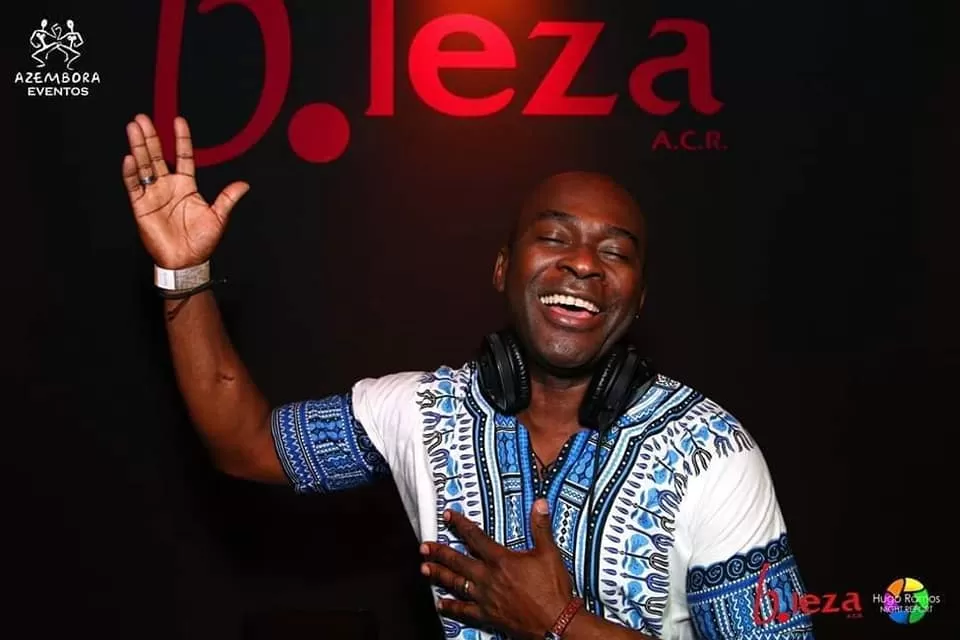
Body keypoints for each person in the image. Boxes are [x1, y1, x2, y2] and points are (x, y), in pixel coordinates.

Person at [121, 113, 815, 640]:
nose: (582, 263)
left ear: (636, 301)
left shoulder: (714, 454)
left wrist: (560, 623)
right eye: (555, 237)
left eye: (614, 252)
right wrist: (185, 276)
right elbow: (244, 443)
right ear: (503, 268)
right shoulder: (420, 411)